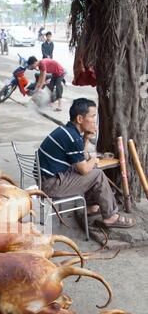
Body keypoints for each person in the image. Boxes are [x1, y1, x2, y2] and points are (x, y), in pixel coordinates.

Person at [37, 98, 135, 229]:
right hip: (50, 184)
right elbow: (83, 169)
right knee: (97, 174)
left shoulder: (67, 131)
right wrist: (94, 159)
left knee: (90, 171)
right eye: (92, 116)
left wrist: (86, 139)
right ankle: (111, 217)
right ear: (79, 119)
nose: (95, 121)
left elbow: (78, 157)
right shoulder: (73, 138)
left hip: (48, 178)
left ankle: (91, 207)